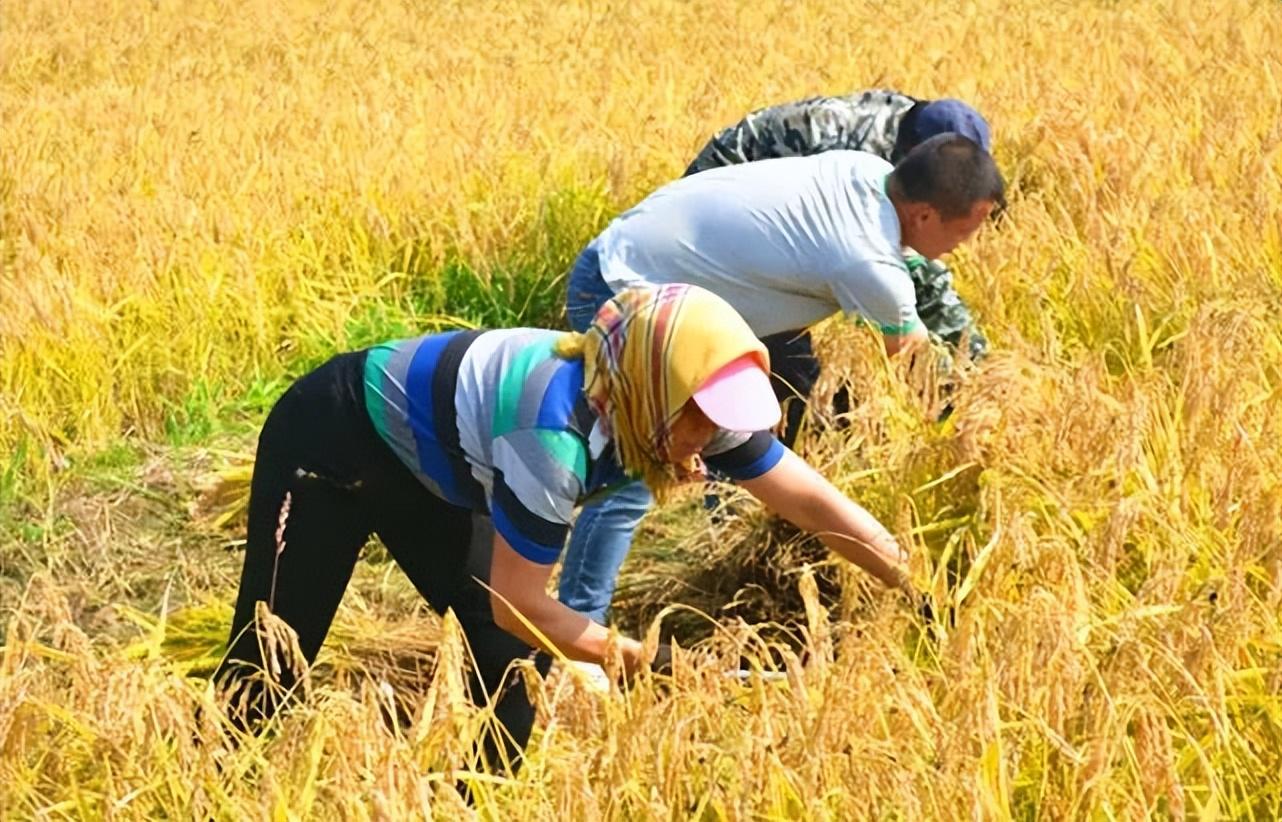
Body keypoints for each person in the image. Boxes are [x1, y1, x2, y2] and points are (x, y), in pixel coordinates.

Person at [213, 284, 911, 774]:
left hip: (441, 461)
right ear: (653, 390)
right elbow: (519, 603)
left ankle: (482, 797)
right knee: (270, 662)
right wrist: (653, 664)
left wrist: (913, 580)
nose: (716, 434)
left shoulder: (672, 403)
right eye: (702, 414)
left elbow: (813, 504)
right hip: (332, 440)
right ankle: (210, 780)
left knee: (512, 665)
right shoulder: (551, 441)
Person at [559, 133, 1005, 624]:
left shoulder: (866, 172)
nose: (966, 246)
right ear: (923, 215)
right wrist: (984, 434)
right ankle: (577, 633)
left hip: (653, 263)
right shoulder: (868, 263)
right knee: (640, 461)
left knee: (746, 428)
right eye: (965, 231)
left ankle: (724, 541)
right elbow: (920, 369)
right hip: (629, 294)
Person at [686, 89, 994, 362]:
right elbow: (905, 269)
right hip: (724, 191)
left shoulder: (912, 131)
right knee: (783, 349)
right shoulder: (861, 158)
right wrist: (973, 361)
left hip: (769, 203)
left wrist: (971, 352)